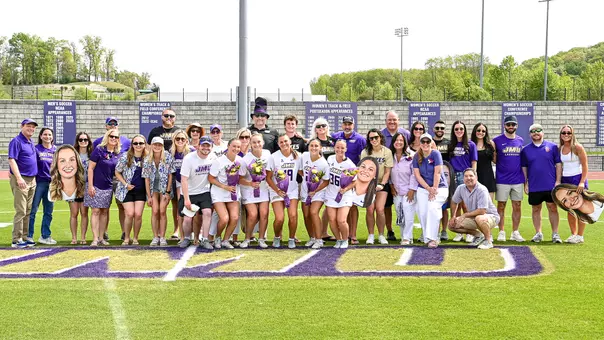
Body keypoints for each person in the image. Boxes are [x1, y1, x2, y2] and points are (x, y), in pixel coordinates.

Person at [521, 123, 562, 243]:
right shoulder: (526, 150)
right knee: (536, 209)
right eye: (533, 131)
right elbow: (524, 167)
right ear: (530, 134)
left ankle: (555, 234)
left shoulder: (553, 147)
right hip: (534, 185)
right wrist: (526, 183)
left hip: (550, 185)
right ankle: (538, 233)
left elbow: (558, 165)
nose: (536, 132)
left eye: (538, 130)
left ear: (543, 132)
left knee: (552, 208)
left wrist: (558, 181)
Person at [92, 116, 129, 241]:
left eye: (115, 124)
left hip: (120, 178)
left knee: (122, 206)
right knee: (104, 207)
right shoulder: (98, 142)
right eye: (110, 123)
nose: (113, 126)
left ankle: (124, 232)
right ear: (106, 126)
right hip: (104, 178)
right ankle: (104, 233)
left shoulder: (126, 141)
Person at [331, 116, 366, 244]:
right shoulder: (335, 136)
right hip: (335, 177)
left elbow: (363, 157)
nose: (347, 126)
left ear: (353, 125)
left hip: (352, 177)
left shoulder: (360, 139)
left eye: (349, 124)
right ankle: (328, 234)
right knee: (331, 206)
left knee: (352, 206)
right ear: (342, 125)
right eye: (345, 124)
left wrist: (359, 175)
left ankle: (353, 234)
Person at [448, 168, 500, 249]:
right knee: (452, 225)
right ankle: (479, 236)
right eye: (466, 176)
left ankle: (488, 241)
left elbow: (482, 211)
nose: (468, 178)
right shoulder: (460, 188)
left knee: (480, 218)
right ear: (463, 178)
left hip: (490, 216)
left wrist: (464, 215)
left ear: (476, 177)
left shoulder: (481, 189)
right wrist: (453, 216)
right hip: (473, 217)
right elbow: (454, 201)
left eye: (471, 176)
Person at [208, 138, 246, 249]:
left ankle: (226, 240)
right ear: (228, 146)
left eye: (238, 147)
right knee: (224, 218)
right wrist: (224, 186)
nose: (236, 149)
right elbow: (211, 178)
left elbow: (241, 177)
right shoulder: (219, 161)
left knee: (234, 218)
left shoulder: (240, 161)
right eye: (234, 146)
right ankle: (218, 237)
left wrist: (250, 183)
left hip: (233, 193)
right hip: (219, 192)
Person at [493, 116, 525, 242]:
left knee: (517, 205)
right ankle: (501, 231)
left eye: (513, 124)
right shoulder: (496, 140)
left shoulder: (520, 140)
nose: (511, 127)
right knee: (501, 206)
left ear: (516, 126)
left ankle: (515, 232)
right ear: (504, 125)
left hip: (517, 179)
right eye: (508, 124)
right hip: (502, 179)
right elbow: (494, 157)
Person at [413, 133, 449, 249]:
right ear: (420, 143)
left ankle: (434, 238)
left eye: (427, 142)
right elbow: (417, 176)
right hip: (423, 188)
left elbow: (437, 172)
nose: (425, 144)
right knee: (422, 211)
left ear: (431, 143)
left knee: (433, 208)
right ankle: (426, 236)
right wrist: (428, 189)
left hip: (439, 187)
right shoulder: (416, 156)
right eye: (422, 141)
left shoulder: (436, 153)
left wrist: (433, 188)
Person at [85, 129, 121, 246]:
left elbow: (117, 172)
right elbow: (90, 168)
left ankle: (101, 238)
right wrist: (90, 186)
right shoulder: (99, 150)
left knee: (105, 212)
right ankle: (95, 238)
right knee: (95, 211)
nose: (113, 138)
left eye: (116, 137)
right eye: (111, 136)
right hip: (96, 185)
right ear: (107, 136)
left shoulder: (117, 154)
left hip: (108, 187)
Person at [179, 136, 214, 249]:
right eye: (203, 145)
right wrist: (186, 199)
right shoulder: (189, 158)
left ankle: (204, 239)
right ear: (198, 146)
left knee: (207, 213)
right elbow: (183, 179)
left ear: (211, 147)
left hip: (204, 191)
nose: (205, 148)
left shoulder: (213, 158)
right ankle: (187, 238)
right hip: (189, 192)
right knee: (188, 218)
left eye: (208, 146)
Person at [266, 134, 301, 248]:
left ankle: (291, 238)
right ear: (278, 144)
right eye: (281, 142)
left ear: (290, 141)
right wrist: (277, 190)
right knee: (279, 218)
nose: (284, 144)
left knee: (293, 215)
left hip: (292, 189)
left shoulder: (297, 156)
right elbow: (268, 177)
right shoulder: (273, 157)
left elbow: (302, 173)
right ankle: (277, 237)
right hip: (277, 190)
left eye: (286, 141)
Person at [9, 119, 39, 248]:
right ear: (22, 126)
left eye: (33, 127)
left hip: (32, 179)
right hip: (22, 179)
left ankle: (25, 237)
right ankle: (17, 239)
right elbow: (11, 160)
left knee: (28, 210)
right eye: (28, 126)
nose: (31, 128)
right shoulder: (16, 141)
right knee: (21, 210)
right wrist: (19, 178)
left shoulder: (30, 141)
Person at [360, 129, 393, 245]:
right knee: (370, 210)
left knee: (380, 209)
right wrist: (369, 183)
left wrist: (382, 184)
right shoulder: (365, 152)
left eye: (376, 137)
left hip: (382, 183)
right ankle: (371, 235)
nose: (374, 140)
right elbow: (362, 170)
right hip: (368, 183)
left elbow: (387, 171)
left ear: (380, 138)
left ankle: (381, 235)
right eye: (371, 138)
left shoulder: (387, 152)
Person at [557, 125, 589, 243]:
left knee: (580, 207)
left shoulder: (577, 147)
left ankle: (580, 236)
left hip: (577, 178)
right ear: (560, 135)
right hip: (566, 179)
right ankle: (573, 234)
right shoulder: (559, 148)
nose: (566, 135)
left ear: (572, 134)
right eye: (564, 133)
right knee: (569, 208)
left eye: (568, 133)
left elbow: (585, 166)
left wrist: (581, 182)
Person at [447, 120, 478, 243]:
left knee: (466, 205)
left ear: (464, 130)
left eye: (461, 129)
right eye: (456, 129)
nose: (459, 131)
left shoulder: (471, 145)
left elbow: (474, 162)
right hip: (454, 176)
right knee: (455, 204)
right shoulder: (451, 145)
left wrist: (473, 176)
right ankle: (458, 230)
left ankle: (469, 231)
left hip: (466, 176)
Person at [115, 135, 148, 246]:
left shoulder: (148, 158)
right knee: (129, 214)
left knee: (138, 215)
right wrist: (126, 184)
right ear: (132, 145)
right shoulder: (125, 156)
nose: (138, 145)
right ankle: (126, 238)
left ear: (144, 144)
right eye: (136, 143)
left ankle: (135, 238)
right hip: (127, 190)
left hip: (141, 191)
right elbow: (117, 172)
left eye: (141, 143)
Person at [239, 133, 272, 248]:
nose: (257, 144)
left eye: (259, 142)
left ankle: (261, 239)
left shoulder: (268, 154)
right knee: (253, 214)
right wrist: (251, 183)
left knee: (264, 213)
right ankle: (247, 238)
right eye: (254, 142)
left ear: (262, 142)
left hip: (263, 188)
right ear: (250, 144)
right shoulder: (245, 159)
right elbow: (239, 178)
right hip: (248, 189)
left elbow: (271, 171)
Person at [382, 111, 410, 241]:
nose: (392, 122)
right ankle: (390, 231)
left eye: (394, 119)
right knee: (387, 206)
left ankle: (408, 235)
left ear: (398, 120)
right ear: (386, 120)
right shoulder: (381, 134)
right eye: (389, 119)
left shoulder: (406, 134)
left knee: (406, 209)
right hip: (387, 177)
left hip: (404, 178)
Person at [143, 137, 175, 247]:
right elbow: (146, 178)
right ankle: (155, 237)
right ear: (151, 145)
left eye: (159, 145)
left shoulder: (168, 157)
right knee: (155, 211)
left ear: (162, 146)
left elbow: (171, 175)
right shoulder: (147, 159)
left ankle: (162, 237)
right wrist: (149, 196)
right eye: (155, 144)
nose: (157, 147)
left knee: (162, 211)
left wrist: (167, 192)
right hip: (153, 188)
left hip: (164, 188)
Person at [324, 140, 357, 249]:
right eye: (338, 147)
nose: (340, 150)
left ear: (346, 149)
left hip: (344, 195)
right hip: (331, 193)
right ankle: (338, 239)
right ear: (334, 148)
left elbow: (355, 181)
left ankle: (345, 239)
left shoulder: (349, 164)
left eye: (342, 148)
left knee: (341, 220)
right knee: (332, 220)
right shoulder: (330, 159)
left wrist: (345, 189)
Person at [299, 139, 330, 249]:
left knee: (313, 212)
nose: (314, 148)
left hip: (318, 192)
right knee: (306, 215)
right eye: (311, 145)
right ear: (308, 147)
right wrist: (306, 181)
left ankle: (319, 239)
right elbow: (300, 170)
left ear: (320, 148)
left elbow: (326, 181)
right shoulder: (304, 156)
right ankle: (312, 237)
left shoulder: (323, 164)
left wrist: (315, 190)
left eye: (316, 146)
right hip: (305, 190)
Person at [28, 127, 57, 245]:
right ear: (40, 136)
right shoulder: (36, 149)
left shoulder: (56, 150)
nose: (47, 137)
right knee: (33, 210)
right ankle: (29, 235)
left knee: (48, 212)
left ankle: (45, 236)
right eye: (45, 134)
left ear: (52, 137)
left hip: (52, 184)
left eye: (49, 135)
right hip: (39, 183)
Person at [390, 132, 418, 245]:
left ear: (405, 142)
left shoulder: (411, 155)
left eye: (401, 140)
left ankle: (407, 237)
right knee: (399, 214)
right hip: (396, 191)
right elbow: (387, 172)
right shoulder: (390, 156)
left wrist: (412, 189)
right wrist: (391, 186)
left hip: (408, 191)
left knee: (408, 213)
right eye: (396, 140)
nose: (399, 142)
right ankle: (404, 236)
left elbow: (414, 174)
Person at [169, 130, 192, 240]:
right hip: (178, 182)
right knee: (180, 206)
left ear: (186, 140)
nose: (180, 141)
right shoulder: (171, 153)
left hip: (191, 182)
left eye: (183, 139)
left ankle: (195, 232)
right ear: (174, 140)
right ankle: (182, 235)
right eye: (177, 139)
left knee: (191, 207)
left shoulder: (191, 151)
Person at [70, 132, 92, 244]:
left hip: (87, 186)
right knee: (74, 213)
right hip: (73, 186)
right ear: (77, 141)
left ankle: (83, 237)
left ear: (88, 141)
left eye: (85, 140)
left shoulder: (91, 154)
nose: (83, 142)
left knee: (84, 213)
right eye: (81, 140)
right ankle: (74, 237)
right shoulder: (72, 154)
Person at [433, 120, 451, 241]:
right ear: (433, 129)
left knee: (444, 206)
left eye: (442, 128)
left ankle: (444, 231)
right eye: (437, 128)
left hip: (446, 177)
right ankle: (434, 230)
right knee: (433, 206)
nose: (440, 130)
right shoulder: (429, 142)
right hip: (433, 175)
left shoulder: (449, 143)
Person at [471, 122, 496, 200]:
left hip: (488, 176)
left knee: (489, 205)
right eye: (478, 130)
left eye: (483, 131)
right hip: (475, 176)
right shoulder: (470, 144)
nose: (480, 132)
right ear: (475, 131)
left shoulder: (490, 144)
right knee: (475, 205)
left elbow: (495, 160)